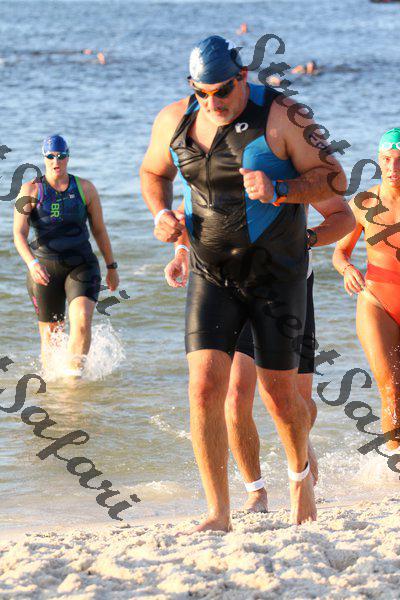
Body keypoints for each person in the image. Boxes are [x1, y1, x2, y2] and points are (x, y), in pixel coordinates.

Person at [140, 35, 348, 530]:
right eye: (202, 92)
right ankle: (219, 511)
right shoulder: (174, 120)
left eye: (222, 91)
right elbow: (152, 172)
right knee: (204, 388)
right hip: (211, 272)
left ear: (242, 77)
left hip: (276, 275)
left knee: (281, 397)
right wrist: (161, 214)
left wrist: (282, 188)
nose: (213, 102)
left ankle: (300, 480)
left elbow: (335, 180)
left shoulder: (286, 116)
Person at [160, 194, 354, 512]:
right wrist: (181, 251)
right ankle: (256, 491)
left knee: (296, 402)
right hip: (227, 286)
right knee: (235, 396)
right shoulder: (209, 165)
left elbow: (342, 216)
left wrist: (305, 238)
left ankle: (300, 446)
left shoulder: (291, 163)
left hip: (287, 287)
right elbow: (187, 212)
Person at [13, 135, 119, 377]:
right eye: (50, 156)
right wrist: (32, 263)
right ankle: (53, 389)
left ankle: (74, 381)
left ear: (68, 157)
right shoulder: (30, 190)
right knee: (51, 336)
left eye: (60, 156)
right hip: (44, 269)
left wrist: (111, 267)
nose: (56, 161)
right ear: (44, 158)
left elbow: (99, 230)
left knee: (82, 318)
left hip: (81, 265)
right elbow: (18, 233)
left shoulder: (85, 188)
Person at [333, 128, 400, 453]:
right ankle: (394, 464)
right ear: (378, 160)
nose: (393, 168)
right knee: (391, 390)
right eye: (387, 159)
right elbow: (339, 252)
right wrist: (347, 269)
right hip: (377, 302)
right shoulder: (364, 203)